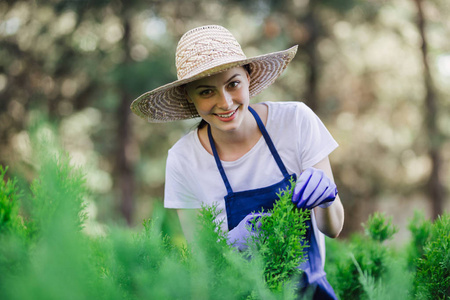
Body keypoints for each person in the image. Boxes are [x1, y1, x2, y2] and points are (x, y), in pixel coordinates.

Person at [130, 25, 344, 299]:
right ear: (189, 97)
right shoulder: (183, 160)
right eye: (206, 92)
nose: (225, 102)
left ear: (248, 76)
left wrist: (326, 201)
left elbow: (333, 229)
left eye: (233, 84)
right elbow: (203, 264)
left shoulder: (295, 122)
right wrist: (232, 244)